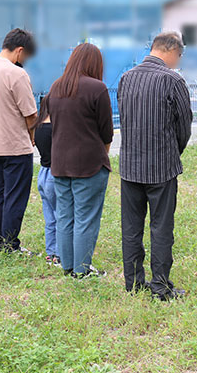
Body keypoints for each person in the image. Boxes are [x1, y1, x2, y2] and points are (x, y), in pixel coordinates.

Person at [117, 31, 193, 300]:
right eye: (180, 56)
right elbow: (184, 127)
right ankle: (160, 286)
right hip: (161, 166)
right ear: (172, 50)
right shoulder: (172, 80)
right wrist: (173, 151)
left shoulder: (126, 78)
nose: (178, 61)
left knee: (131, 228)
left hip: (130, 167)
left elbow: (124, 119)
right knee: (161, 227)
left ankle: (134, 283)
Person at [48, 43, 113, 278]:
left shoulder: (56, 87)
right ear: (95, 64)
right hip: (90, 164)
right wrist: (102, 154)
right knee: (86, 217)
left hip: (60, 164)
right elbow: (107, 133)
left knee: (65, 215)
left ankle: (67, 266)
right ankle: (82, 270)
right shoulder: (97, 88)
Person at [0, 28, 38, 254]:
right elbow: (31, 114)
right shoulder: (16, 74)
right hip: (15, 145)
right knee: (15, 197)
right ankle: (10, 244)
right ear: (20, 51)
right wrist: (33, 136)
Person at [34, 95, 60, 266]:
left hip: (42, 174)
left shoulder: (38, 127)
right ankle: (59, 253)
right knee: (61, 216)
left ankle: (50, 252)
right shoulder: (56, 128)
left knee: (49, 218)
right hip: (55, 175)